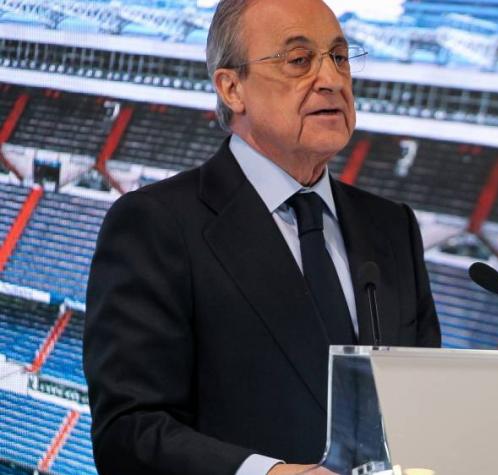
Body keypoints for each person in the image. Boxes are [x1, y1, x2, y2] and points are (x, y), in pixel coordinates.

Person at [82, 0, 441, 474]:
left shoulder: (392, 227)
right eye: (299, 60)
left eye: (339, 57)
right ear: (232, 88)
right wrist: (266, 473)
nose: (332, 79)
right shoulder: (156, 223)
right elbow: (129, 433)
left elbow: (426, 407)